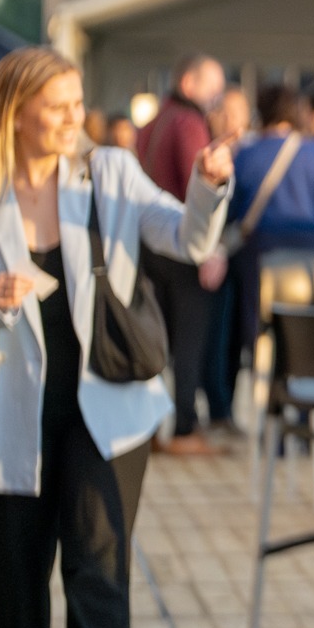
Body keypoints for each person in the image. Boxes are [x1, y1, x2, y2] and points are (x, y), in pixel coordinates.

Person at [0, 46, 232, 628]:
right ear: (15, 113)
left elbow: (188, 239)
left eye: (77, 104)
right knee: (15, 597)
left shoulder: (111, 174)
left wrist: (208, 186)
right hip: (11, 421)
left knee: (98, 584)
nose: (75, 118)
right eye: (58, 107)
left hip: (108, 414)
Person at [133, 55, 228, 457]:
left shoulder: (154, 121)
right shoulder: (188, 122)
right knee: (188, 342)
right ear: (190, 82)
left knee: (158, 338)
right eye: (213, 86)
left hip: (149, 245)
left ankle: (153, 426)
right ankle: (184, 426)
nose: (217, 97)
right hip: (179, 244)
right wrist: (210, 247)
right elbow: (199, 185)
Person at [224, 85, 314, 374]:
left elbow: (230, 210)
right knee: (309, 330)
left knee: (260, 334)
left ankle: (264, 394)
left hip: (259, 257)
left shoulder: (246, 154)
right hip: (310, 260)